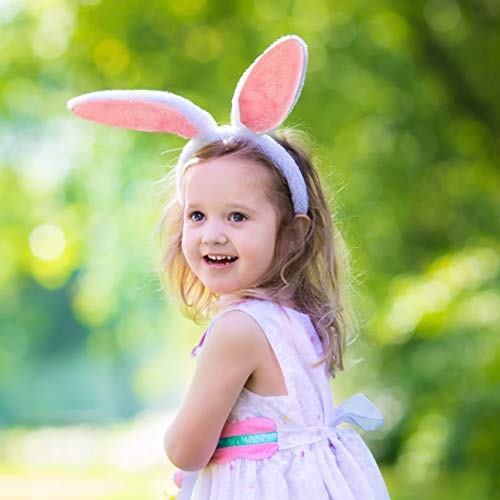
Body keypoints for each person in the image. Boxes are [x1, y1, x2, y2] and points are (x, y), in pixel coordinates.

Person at [67, 35, 390, 499]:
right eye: (197, 215)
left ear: (292, 234)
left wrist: (181, 446)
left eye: (237, 216)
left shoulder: (238, 329)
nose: (213, 234)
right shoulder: (294, 319)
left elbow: (187, 448)